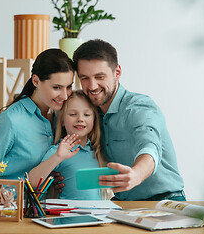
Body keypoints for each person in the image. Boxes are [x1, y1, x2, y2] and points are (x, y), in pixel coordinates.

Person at [71, 39, 186, 201]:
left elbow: (150, 146)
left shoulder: (139, 107)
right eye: (84, 78)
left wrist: (137, 174)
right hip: (124, 203)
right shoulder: (89, 114)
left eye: (99, 76)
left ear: (117, 72)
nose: (92, 86)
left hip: (165, 200)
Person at [0, 49, 75, 183]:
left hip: (46, 203)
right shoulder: (11, 120)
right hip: (11, 203)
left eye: (69, 87)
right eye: (56, 87)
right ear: (36, 81)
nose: (65, 95)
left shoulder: (63, 118)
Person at [29, 90, 104, 200]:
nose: (80, 119)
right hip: (67, 216)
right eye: (73, 114)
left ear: (94, 119)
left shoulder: (97, 152)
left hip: (96, 216)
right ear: (62, 120)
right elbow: (32, 182)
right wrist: (57, 157)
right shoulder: (58, 150)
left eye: (87, 114)